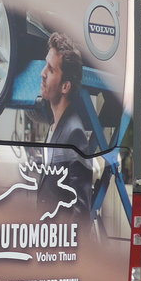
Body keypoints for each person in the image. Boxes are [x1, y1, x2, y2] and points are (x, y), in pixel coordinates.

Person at [37, 31, 93, 217]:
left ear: (65, 87)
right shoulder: (56, 125)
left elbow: (81, 209)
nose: (42, 73)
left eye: (51, 70)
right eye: (46, 65)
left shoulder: (74, 134)